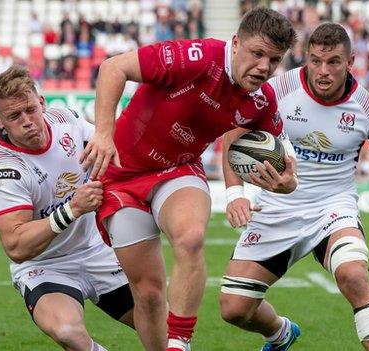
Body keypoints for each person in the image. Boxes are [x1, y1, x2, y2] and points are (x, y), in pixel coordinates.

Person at [219, 23, 369, 351]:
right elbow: (234, 133)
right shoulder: (278, 88)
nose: (323, 71)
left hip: (333, 207)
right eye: (315, 60)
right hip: (276, 207)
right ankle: (280, 333)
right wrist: (235, 194)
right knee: (234, 308)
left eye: (333, 62)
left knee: (354, 276)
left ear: (350, 62)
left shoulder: (368, 108)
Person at [79, 8, 298, 351]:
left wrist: (287, 184)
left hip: (177, 171)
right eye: (257, 54)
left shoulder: (261, 100)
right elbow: (113, 67)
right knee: (149, 295)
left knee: (191, 236)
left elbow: (274, 156)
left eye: (274, 59)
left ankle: (179, 343)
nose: (264, 68)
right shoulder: (196, 57)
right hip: (120, 179)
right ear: (236, 42)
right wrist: (104, 133)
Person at [0, 66, 135, 351]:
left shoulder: (66, 119)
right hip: (46, 266)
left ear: (42, 102)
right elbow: (16, 245)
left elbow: (111, 150)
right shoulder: (6, 170)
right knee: (69, 333)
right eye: (14, 116)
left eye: (30, 109)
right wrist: (72, 210)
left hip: (96, 250)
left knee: (160, 323)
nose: (27, 121)